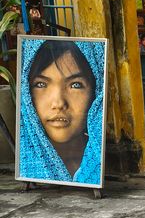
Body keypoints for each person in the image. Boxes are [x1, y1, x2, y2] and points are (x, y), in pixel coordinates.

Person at [19, 38, 104, 185]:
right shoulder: (25, 167)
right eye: (41, 84)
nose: (58, 103)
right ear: (27, 94)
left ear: (95, 94)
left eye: (75, 85)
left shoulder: (98, 160)